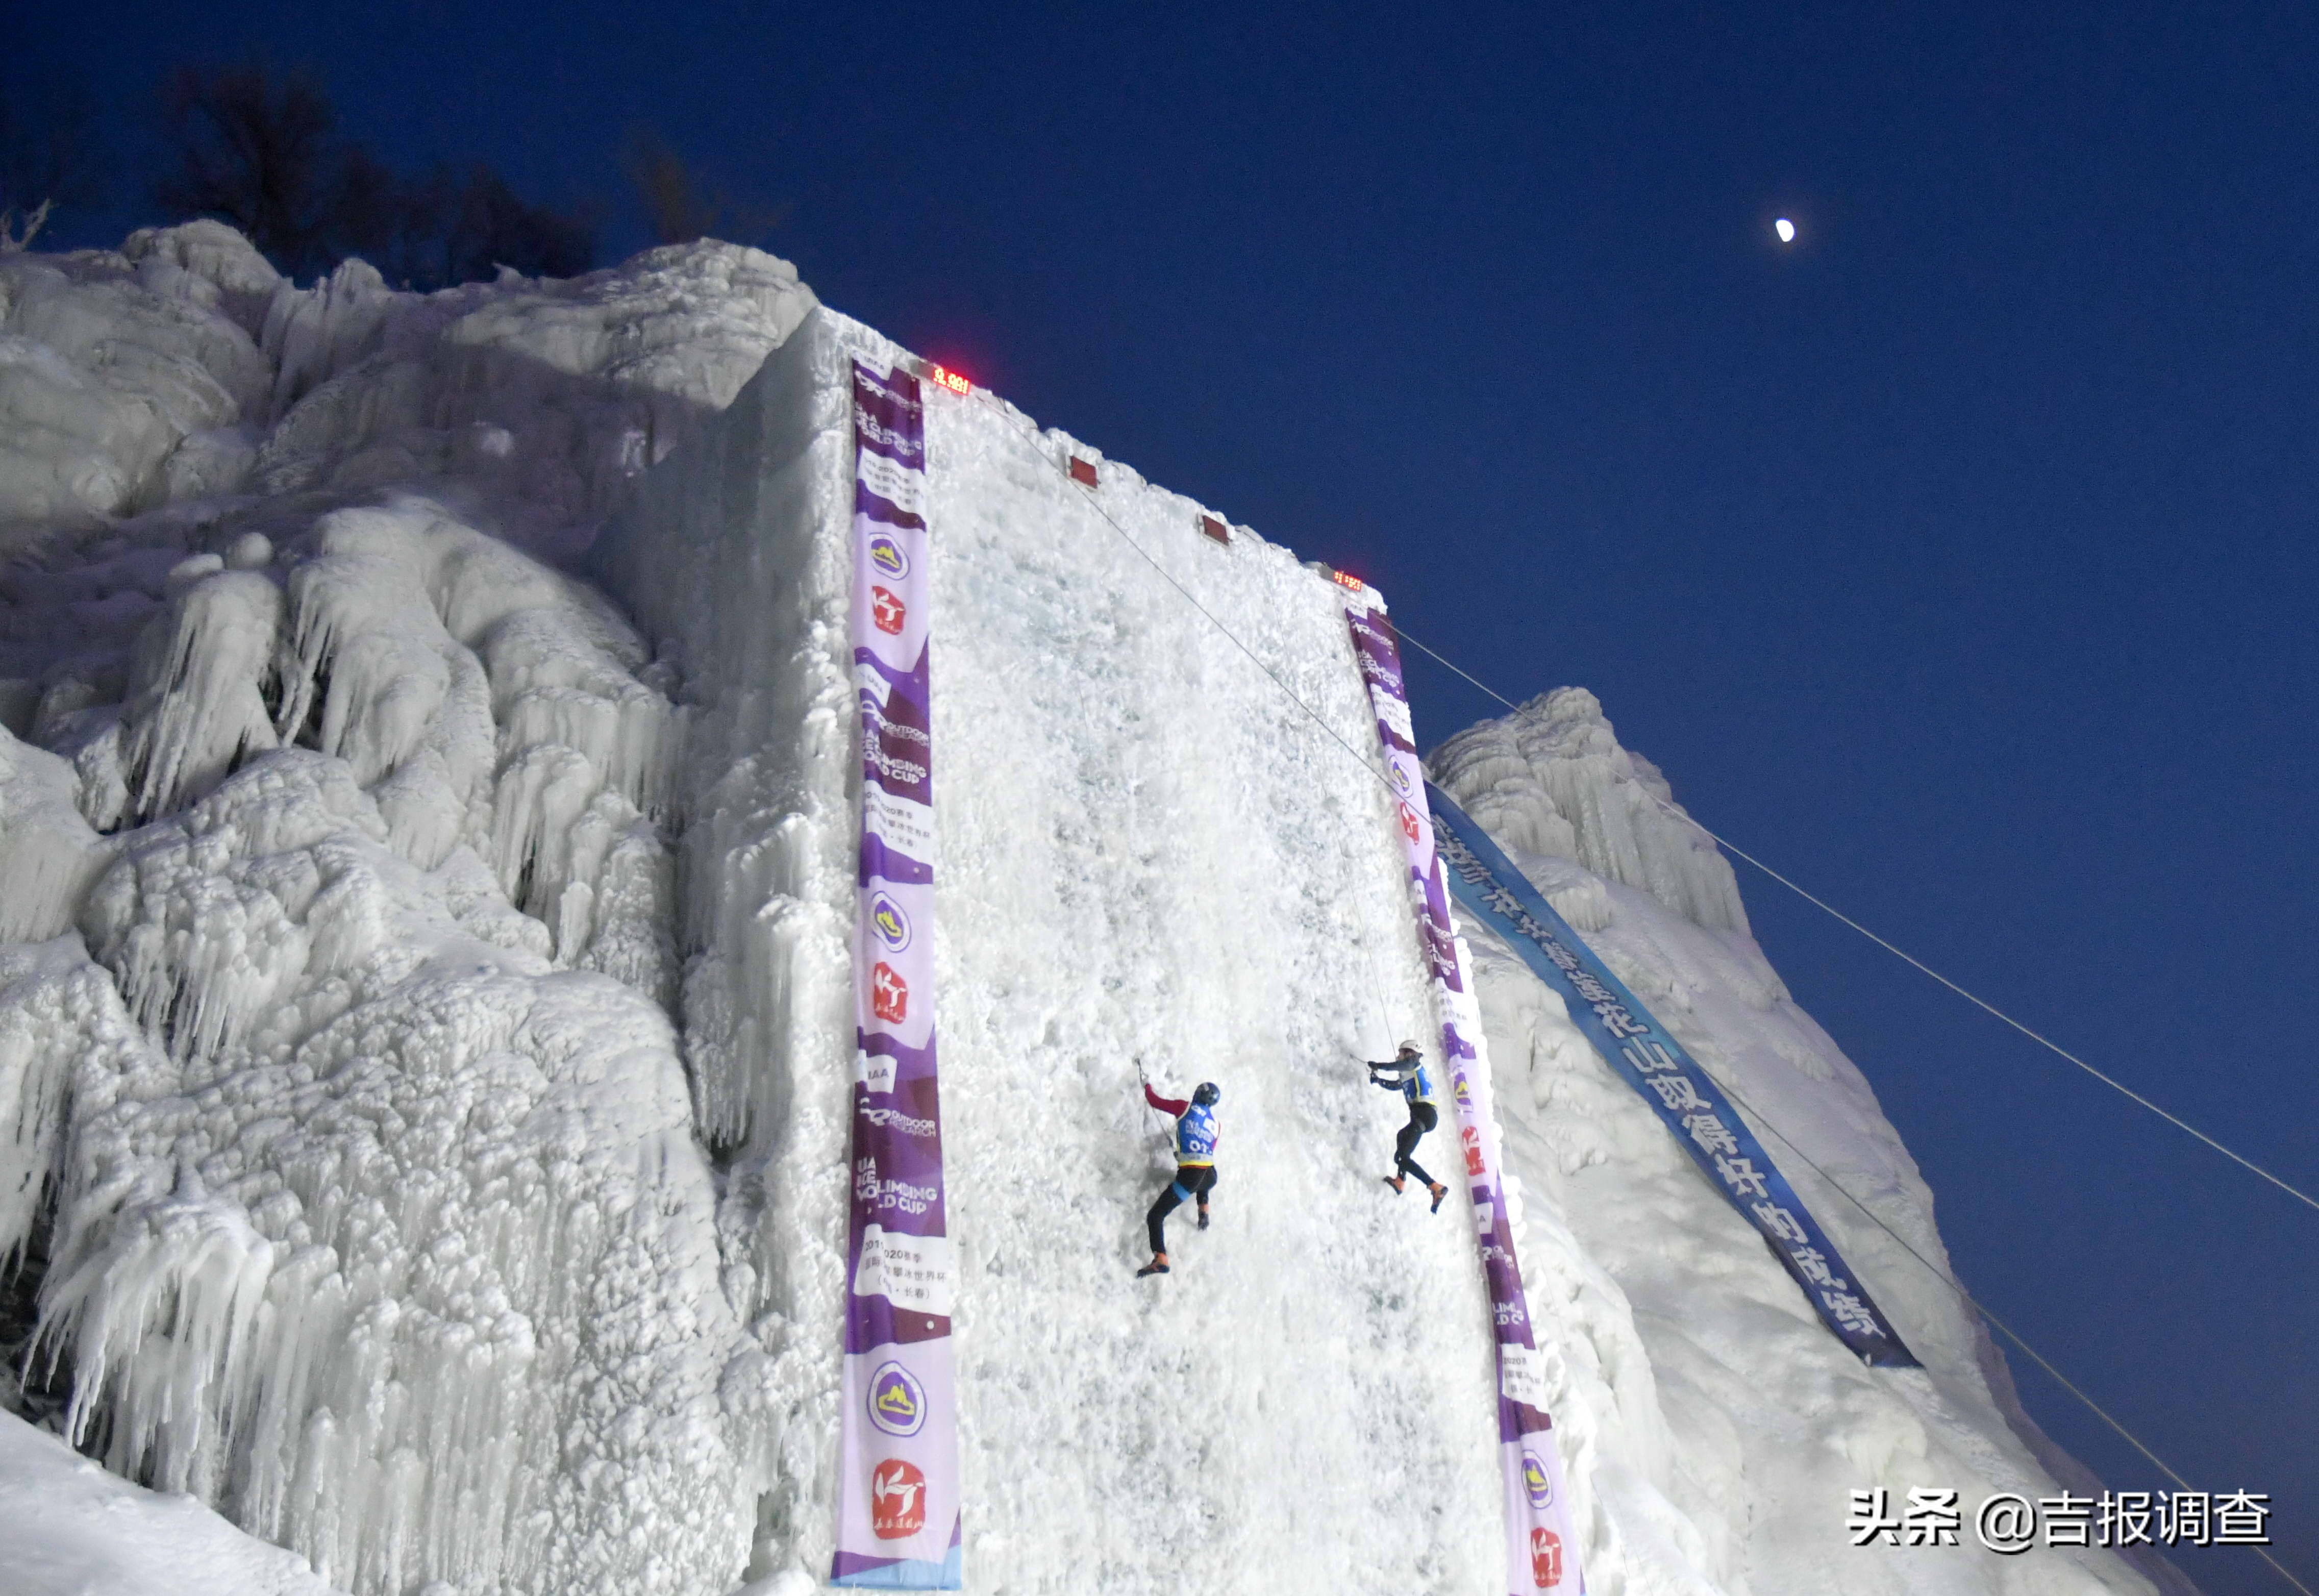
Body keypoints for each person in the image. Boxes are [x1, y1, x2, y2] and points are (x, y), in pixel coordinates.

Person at [1136, 1079, 1220, 1277]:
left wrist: (1147, 1086)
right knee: (1202, 1179)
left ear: (1198, 1094)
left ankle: (1161, 1259)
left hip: (1191, 1177)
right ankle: (1203, 1213)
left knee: (1155, 1216)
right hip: (1210, 1175)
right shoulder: (1217, 1125)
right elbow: (1205, 1150)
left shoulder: (1184, 1107)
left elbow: (1154, 1101)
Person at [1368, 1039, 1448, 1212]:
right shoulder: (1409, 1071)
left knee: (1402, 1157)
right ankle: (1400, 1181)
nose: (1398, 1056)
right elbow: (1397, 1085)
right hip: (1423, 1115)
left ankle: (1435, 1187)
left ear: (1409, 1053)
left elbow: (1398, 1065)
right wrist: (1378, 1080)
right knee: (1401, 1139)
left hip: (1424, 1114)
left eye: (1401, 1053)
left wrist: (1379, 1066)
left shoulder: (1413, 1064)